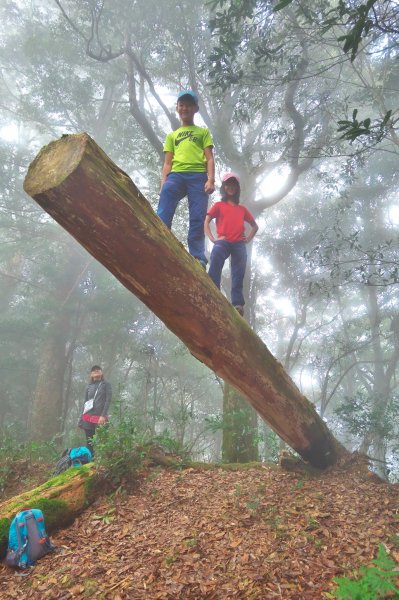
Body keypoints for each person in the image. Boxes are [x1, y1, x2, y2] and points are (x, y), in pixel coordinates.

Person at [157, 90, 215, 268]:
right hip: (177, 174)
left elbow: (210, 157)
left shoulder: (202, 132)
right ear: (177, 108)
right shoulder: (172, 136)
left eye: (189, 105)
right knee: (166, 201)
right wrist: (163, 182)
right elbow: (167, 163)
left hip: (198, 176)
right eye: (181, 104)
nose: (185, 108)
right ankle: (159, 237)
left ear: (195, 108)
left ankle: (197, 257)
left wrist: (210, 179)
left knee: (197, 216)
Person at [204, 173, 259, 317]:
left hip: (239, 244)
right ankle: (212, 290)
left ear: (237, 188)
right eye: (228, 184)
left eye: (234, 184)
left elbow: (255, 226)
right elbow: (207, 221)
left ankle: (238, 304)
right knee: (216, 257)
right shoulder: (219, 205)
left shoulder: (242, 209)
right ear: (224, 187)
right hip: (223, 241)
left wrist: (247, 239)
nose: (231, 187)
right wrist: (212, 238)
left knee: (238, 273)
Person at [78, 365, 112, 457]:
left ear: (102, 372)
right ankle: (90, 463)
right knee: (89, 442)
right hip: (87, 417)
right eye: (93, 370)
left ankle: (104, 462)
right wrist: (80, 419)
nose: (96, 371)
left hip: (100, 417)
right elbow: (85, 403)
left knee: (103, 440)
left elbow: (108, 400)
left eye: (98, 369)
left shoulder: (106, 384)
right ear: (91, 375)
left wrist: (103, 416)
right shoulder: (88, 386)